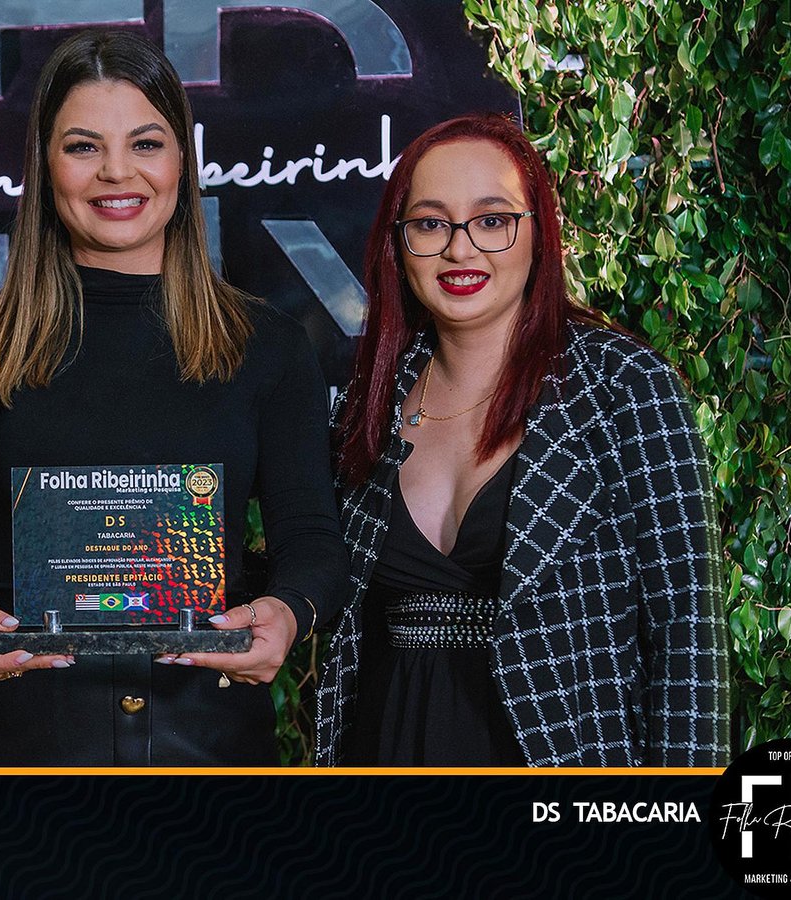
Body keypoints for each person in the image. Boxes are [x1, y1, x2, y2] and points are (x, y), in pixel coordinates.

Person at [0, 30, 345, 765]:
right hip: (24, 756)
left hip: (212, 754)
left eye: (146, 143)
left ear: (181, 162)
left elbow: (311, 539)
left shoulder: (266, 346)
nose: (117, 171)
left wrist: (288, 611)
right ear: (45, 165)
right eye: (83, 147)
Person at [313, 113, 729, 767]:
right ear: (397, 244)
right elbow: (324, 582)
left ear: (538, 234)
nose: (460, 250)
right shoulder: (372, 400)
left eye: (492, 220)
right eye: (431, 224)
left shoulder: (624, 385)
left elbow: (688, 633)